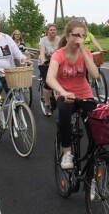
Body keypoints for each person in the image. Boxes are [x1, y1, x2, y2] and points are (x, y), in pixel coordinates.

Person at [46, 20, 99, 169]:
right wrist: (62, 92)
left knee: (95, 121)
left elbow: (95, 75)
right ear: (68, 36)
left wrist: (83, 51)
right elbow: (50, 78)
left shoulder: (86, 53)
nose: (79, 39)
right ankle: (67, 152)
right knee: (64, 112)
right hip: (65, 93)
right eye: (76, 35)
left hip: (84, 93)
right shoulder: (59, 54)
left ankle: (95, 151)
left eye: (83, 36)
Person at [38, 24, 61, 116]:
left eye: (54, 30)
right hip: (45, 63)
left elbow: (63, 50)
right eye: (51, 30)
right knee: (48, 82)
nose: (53, 31)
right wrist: (43, 60)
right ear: (47, 31)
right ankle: (47, 104)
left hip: (56, 63)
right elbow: (42, 52)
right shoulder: (43, 40)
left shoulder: (59, 40)